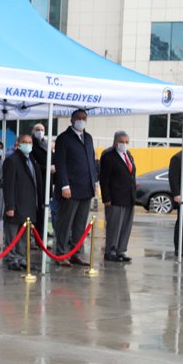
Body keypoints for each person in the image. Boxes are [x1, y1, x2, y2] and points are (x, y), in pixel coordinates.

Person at [53, 109, 97, 267]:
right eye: (78, 118)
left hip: (86, 188)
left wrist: (95, 182)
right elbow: (61, 164)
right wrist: (64, 185)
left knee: (80, 224)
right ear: (71, 120)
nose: (81, 120)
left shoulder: (88, 138)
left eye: (84, 118)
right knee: (66, 222)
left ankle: (75, 253)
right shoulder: (64, 138)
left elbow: (92, 161)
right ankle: (61, 253)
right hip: (70, 189)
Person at [2, 134, 41, 272]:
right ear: (18, 144)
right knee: (12, 235)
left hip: (28, 206)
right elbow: (8, 185)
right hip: (16, 205)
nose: (28, 145)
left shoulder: (31, 160)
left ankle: (21, 258)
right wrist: (9, 206)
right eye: (24, 142)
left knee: (24, 236)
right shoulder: (12, 160)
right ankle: (11, 258)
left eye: (30, 142)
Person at [98, 131, 136, 262]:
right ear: (115, 142)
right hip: (115, 198)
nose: (124, 144)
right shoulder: (108, 156)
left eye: (126, 142)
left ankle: (121, 250)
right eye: (121, 142)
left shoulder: (128, 155)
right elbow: (104, 179)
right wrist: (106, 198)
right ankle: (110, 251)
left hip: (128, 197)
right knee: (114, 225)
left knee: (126, 225)